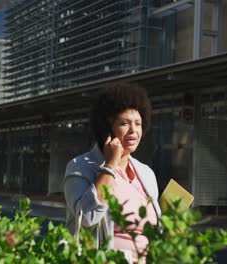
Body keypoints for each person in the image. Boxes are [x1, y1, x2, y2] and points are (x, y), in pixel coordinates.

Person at [64, 83, 161, 263]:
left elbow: (155, 230)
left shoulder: (146, 174)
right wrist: (109, 165)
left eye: (138, 124)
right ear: (107, 128)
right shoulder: (80, 167)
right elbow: (86, 217)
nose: (134, 130)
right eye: (125, 123)